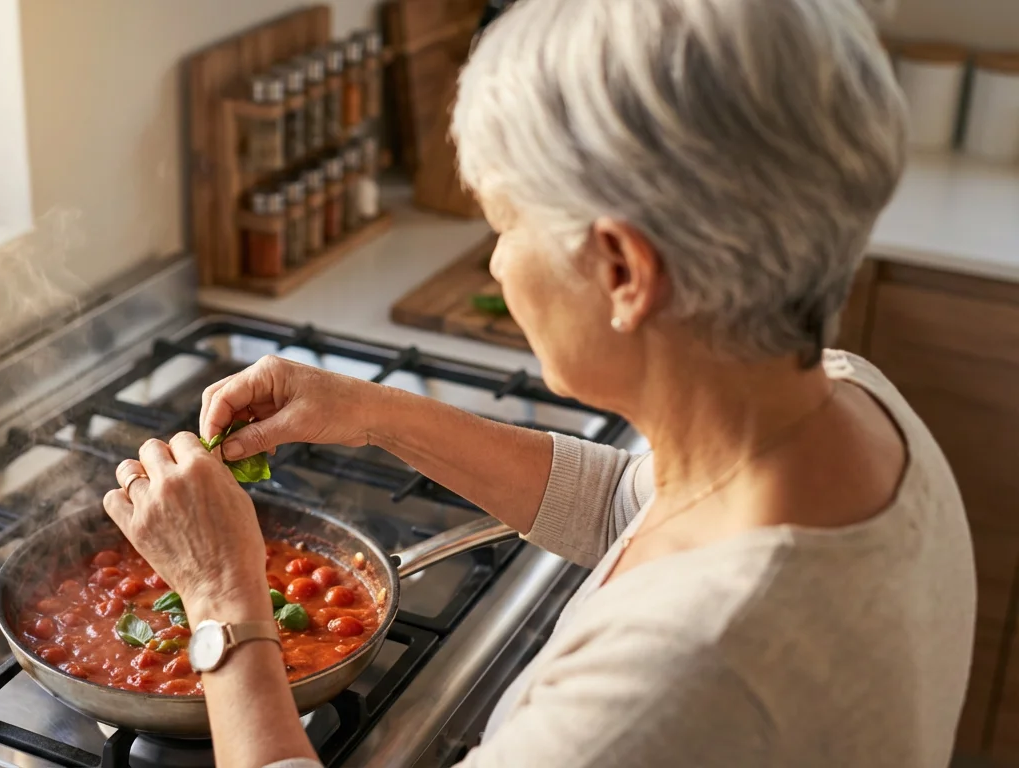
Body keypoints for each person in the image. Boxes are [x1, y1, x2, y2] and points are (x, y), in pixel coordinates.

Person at [100, 0, 975, 765]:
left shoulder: (680, 675)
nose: (494, 260)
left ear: (624, 270)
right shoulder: (846, 396)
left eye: (505, 222)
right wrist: (367, 411)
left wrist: (221, 599)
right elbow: (625, 507)